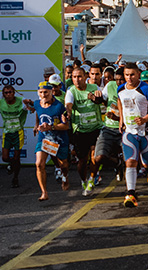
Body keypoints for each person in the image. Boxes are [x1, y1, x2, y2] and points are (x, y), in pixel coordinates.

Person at [118, 63, 148, 208]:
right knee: (130, 162)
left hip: (146, 132)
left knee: (146, 162)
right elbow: (120, 102)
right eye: (126, 75)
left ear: (138, 74)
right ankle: (131, 193)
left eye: (132, 75)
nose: (129, 78)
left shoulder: (146, 89)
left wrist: (144, 119)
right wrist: (121, 120)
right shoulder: (121, 89)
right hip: (129, 132)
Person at [0, 85, 34, 188]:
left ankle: (15, 178)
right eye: (6, 93)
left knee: (17, 156)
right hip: (7, 133)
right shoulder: (0, 103)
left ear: (14, 93)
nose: (8, 94)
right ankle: (13, 165)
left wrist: (30, 104)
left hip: (18, 133)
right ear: (3, 94)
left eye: (10, 92)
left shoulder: (21, 101)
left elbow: (32, 109)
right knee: (5, 158)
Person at [65, 67, 105, 196]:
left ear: (86, 76)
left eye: (80, 77)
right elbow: (69, 105)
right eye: (74, 77)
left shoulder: (94, 87)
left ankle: (92, 179)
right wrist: (68, 113)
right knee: (83, 161)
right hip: (80, 131)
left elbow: (102, 101)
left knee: (96, 157)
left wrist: (96, 98)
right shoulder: (71, 91)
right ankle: (84, 180)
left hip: (96, 128)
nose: (77, 80)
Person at [34, 81, 70, 201]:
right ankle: (44, 192)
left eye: (46, 92)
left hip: (59, 139)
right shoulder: (37, 104)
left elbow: (66, 126)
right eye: (41, 92)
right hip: (44, 139)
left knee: (63, 165)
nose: (43, 95)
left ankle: (65, 176)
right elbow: (38, 115)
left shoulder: (59, 107)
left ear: (51, 92)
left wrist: (51, 127)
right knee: (39, 164)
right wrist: (36, 125)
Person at [94, 67, 125, 183]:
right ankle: (117, 163)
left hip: (125, 129)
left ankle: (130, 190)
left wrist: (117, 117)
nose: (118, 82)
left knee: (130, 160)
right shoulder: (111, 85)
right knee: (99, 157)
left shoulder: (131, 90)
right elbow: (102, 99)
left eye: (121, 80)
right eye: (116, 79)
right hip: (108, 128)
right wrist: (96, 96)